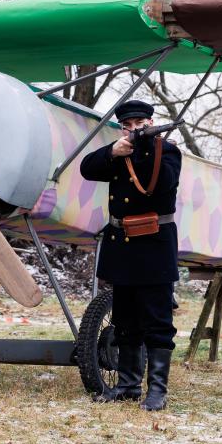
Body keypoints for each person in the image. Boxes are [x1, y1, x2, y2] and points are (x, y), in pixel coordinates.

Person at [80, 100, 182, 411]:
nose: (135, 128)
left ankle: (157, 391)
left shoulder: (168, 151)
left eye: (140, 123)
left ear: (151, 121)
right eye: (129, 124)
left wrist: (145, 147)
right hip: (122, 244)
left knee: (157, 322)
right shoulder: (118, 151)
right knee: (125, 321)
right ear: (122, 126)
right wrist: (113, 151)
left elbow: (162, 185)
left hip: (154, 245)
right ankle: (127, 386)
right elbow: (87, 168)